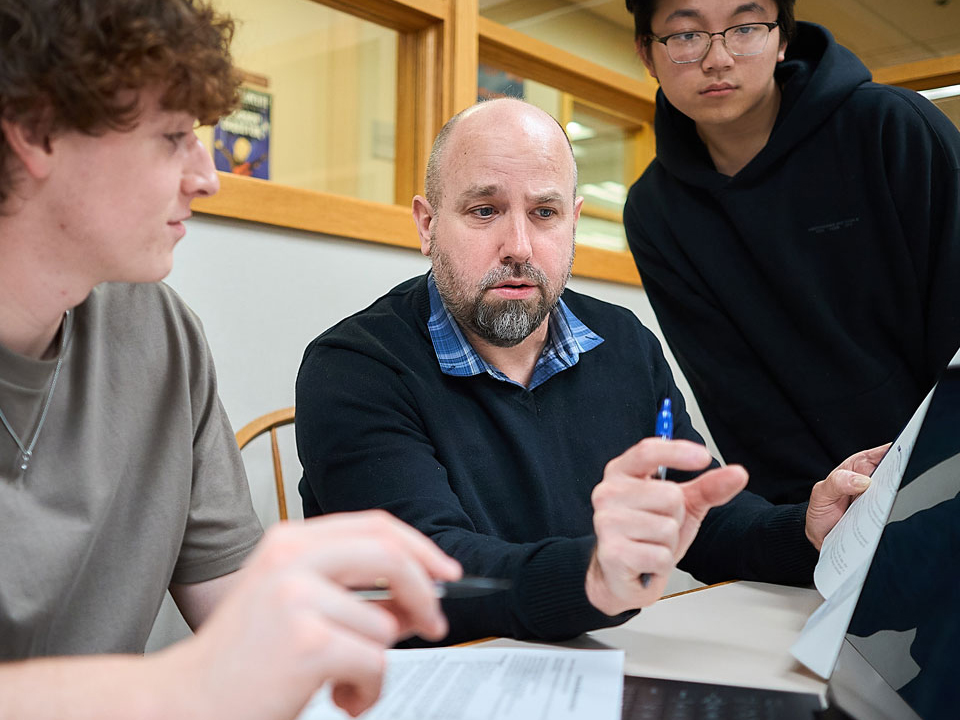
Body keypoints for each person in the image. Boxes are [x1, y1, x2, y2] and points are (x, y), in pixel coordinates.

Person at [0, 1, 460, 718]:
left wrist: (327, 628)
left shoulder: (160, 336)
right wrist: (178, 687)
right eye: (173, 136)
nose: (206, 176)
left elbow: (237, 613)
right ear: (35, 132)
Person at [296, 97, 885, 647]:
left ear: (572, 222)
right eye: (484, 210)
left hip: (589, 666)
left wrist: (806, 530)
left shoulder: (624, 344)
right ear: (428, 226)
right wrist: (595, 575)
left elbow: (694, 517)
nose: (520, 246)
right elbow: (431, 571)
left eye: (545, 212)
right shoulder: (355, 368)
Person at [621, 0, 960, 504]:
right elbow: (737, 397)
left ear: (782, 38)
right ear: (648, 54)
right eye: (686, 35)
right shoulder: (654, 212)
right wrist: (809, 523)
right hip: (828, 510)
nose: (718, 58)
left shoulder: (894, 127)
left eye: (745, 28)